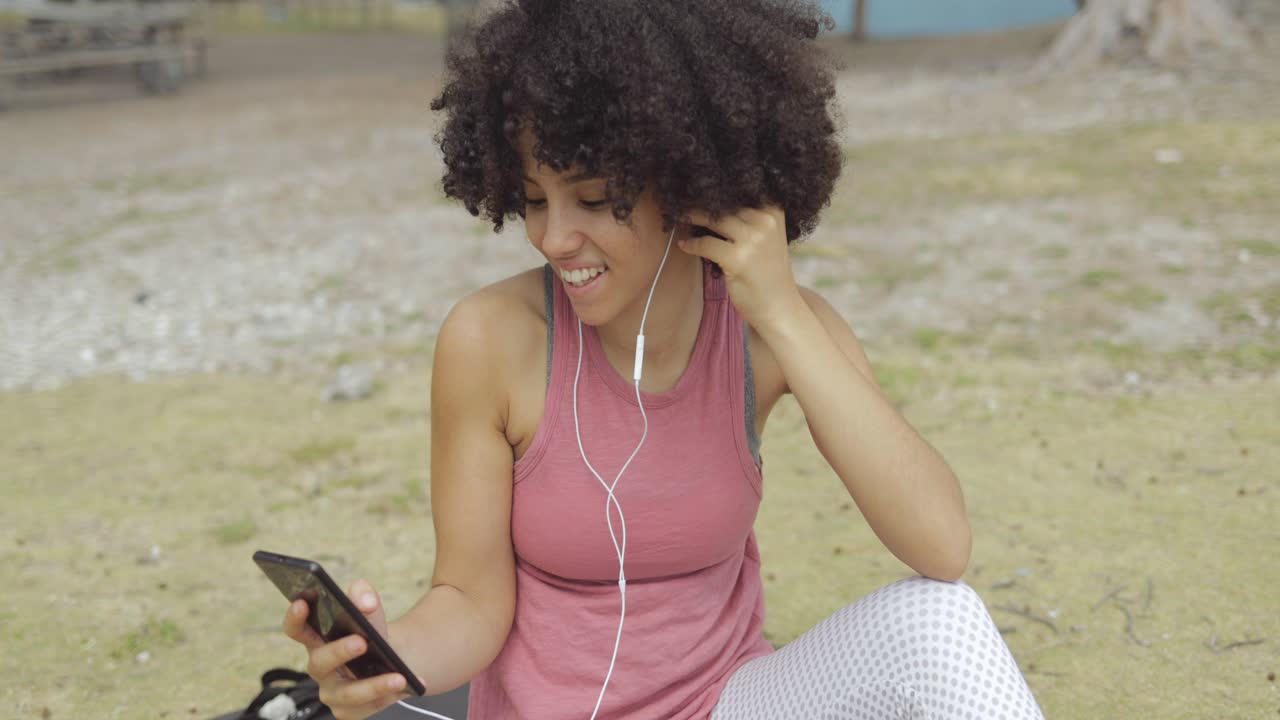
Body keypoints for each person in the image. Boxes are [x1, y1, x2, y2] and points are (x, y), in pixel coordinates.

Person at [283, 1, 1047, 718]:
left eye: (591, 199)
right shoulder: (489, 339)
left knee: (939, 622)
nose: (553, 239)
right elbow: (472, 601)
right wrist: (384, 662)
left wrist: (781, 311)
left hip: (729, 703)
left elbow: (942, 546)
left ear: (687, 180)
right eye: (535, 199)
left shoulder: (775, 335)